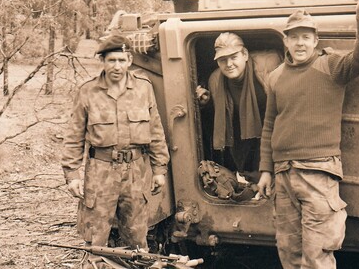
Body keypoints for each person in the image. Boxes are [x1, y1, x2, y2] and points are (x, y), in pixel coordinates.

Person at [257, 0, 359, 269]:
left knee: (317, 256)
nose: (300, 43)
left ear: (315, 40)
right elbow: (269, 125)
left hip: (319, 174)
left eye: (306, 37)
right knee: (288, 253)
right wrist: (266, 170)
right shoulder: (275, 76)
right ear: (286, 41)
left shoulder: (331, 65)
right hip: (283, 174)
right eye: (294, 37)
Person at [62, 35, 170, 267]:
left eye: (121, 60)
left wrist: (159, 169)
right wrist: (71, 175)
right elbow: (74, 136)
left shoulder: (143, 89)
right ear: (103, 61)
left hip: (135, 172)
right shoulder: (88, 91)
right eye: (111, 60)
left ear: (130, 60)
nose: (117, 66)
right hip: (100, 173)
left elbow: (155, 130)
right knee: (96, 238)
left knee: (137, 237)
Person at [196, 32, 281, 183]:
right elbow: (217, 121)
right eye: (223, 60)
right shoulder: (215, 80)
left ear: (245, 55)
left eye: (233, 57)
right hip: (240, 140)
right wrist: (206, 104)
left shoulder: (268, 66)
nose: (229, 64)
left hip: (272, 135)